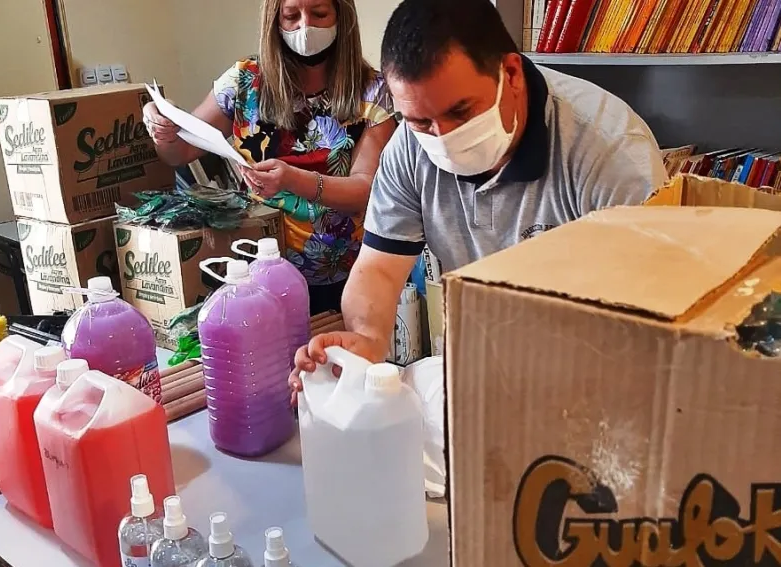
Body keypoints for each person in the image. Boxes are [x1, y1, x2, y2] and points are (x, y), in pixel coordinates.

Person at [290, 0, 667, 396]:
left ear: (511, 73)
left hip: (599, 371)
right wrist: (367, 340)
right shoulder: (409, 148)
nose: (443, 138)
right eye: (421, 121)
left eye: (461, 112)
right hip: (488, 362)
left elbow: (649, 321)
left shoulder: (610, 153)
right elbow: (379, 271)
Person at [143, 0, 396, 315]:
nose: (305, 27)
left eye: (319, 14)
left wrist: (292, 179)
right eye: (291, 16)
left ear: (341, 17)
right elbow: (180, 152)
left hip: (344, 274)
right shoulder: (244, 82)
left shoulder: (372, 91)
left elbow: (366, 190)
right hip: (257, 272)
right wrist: (162, 127)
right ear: (274, 21)